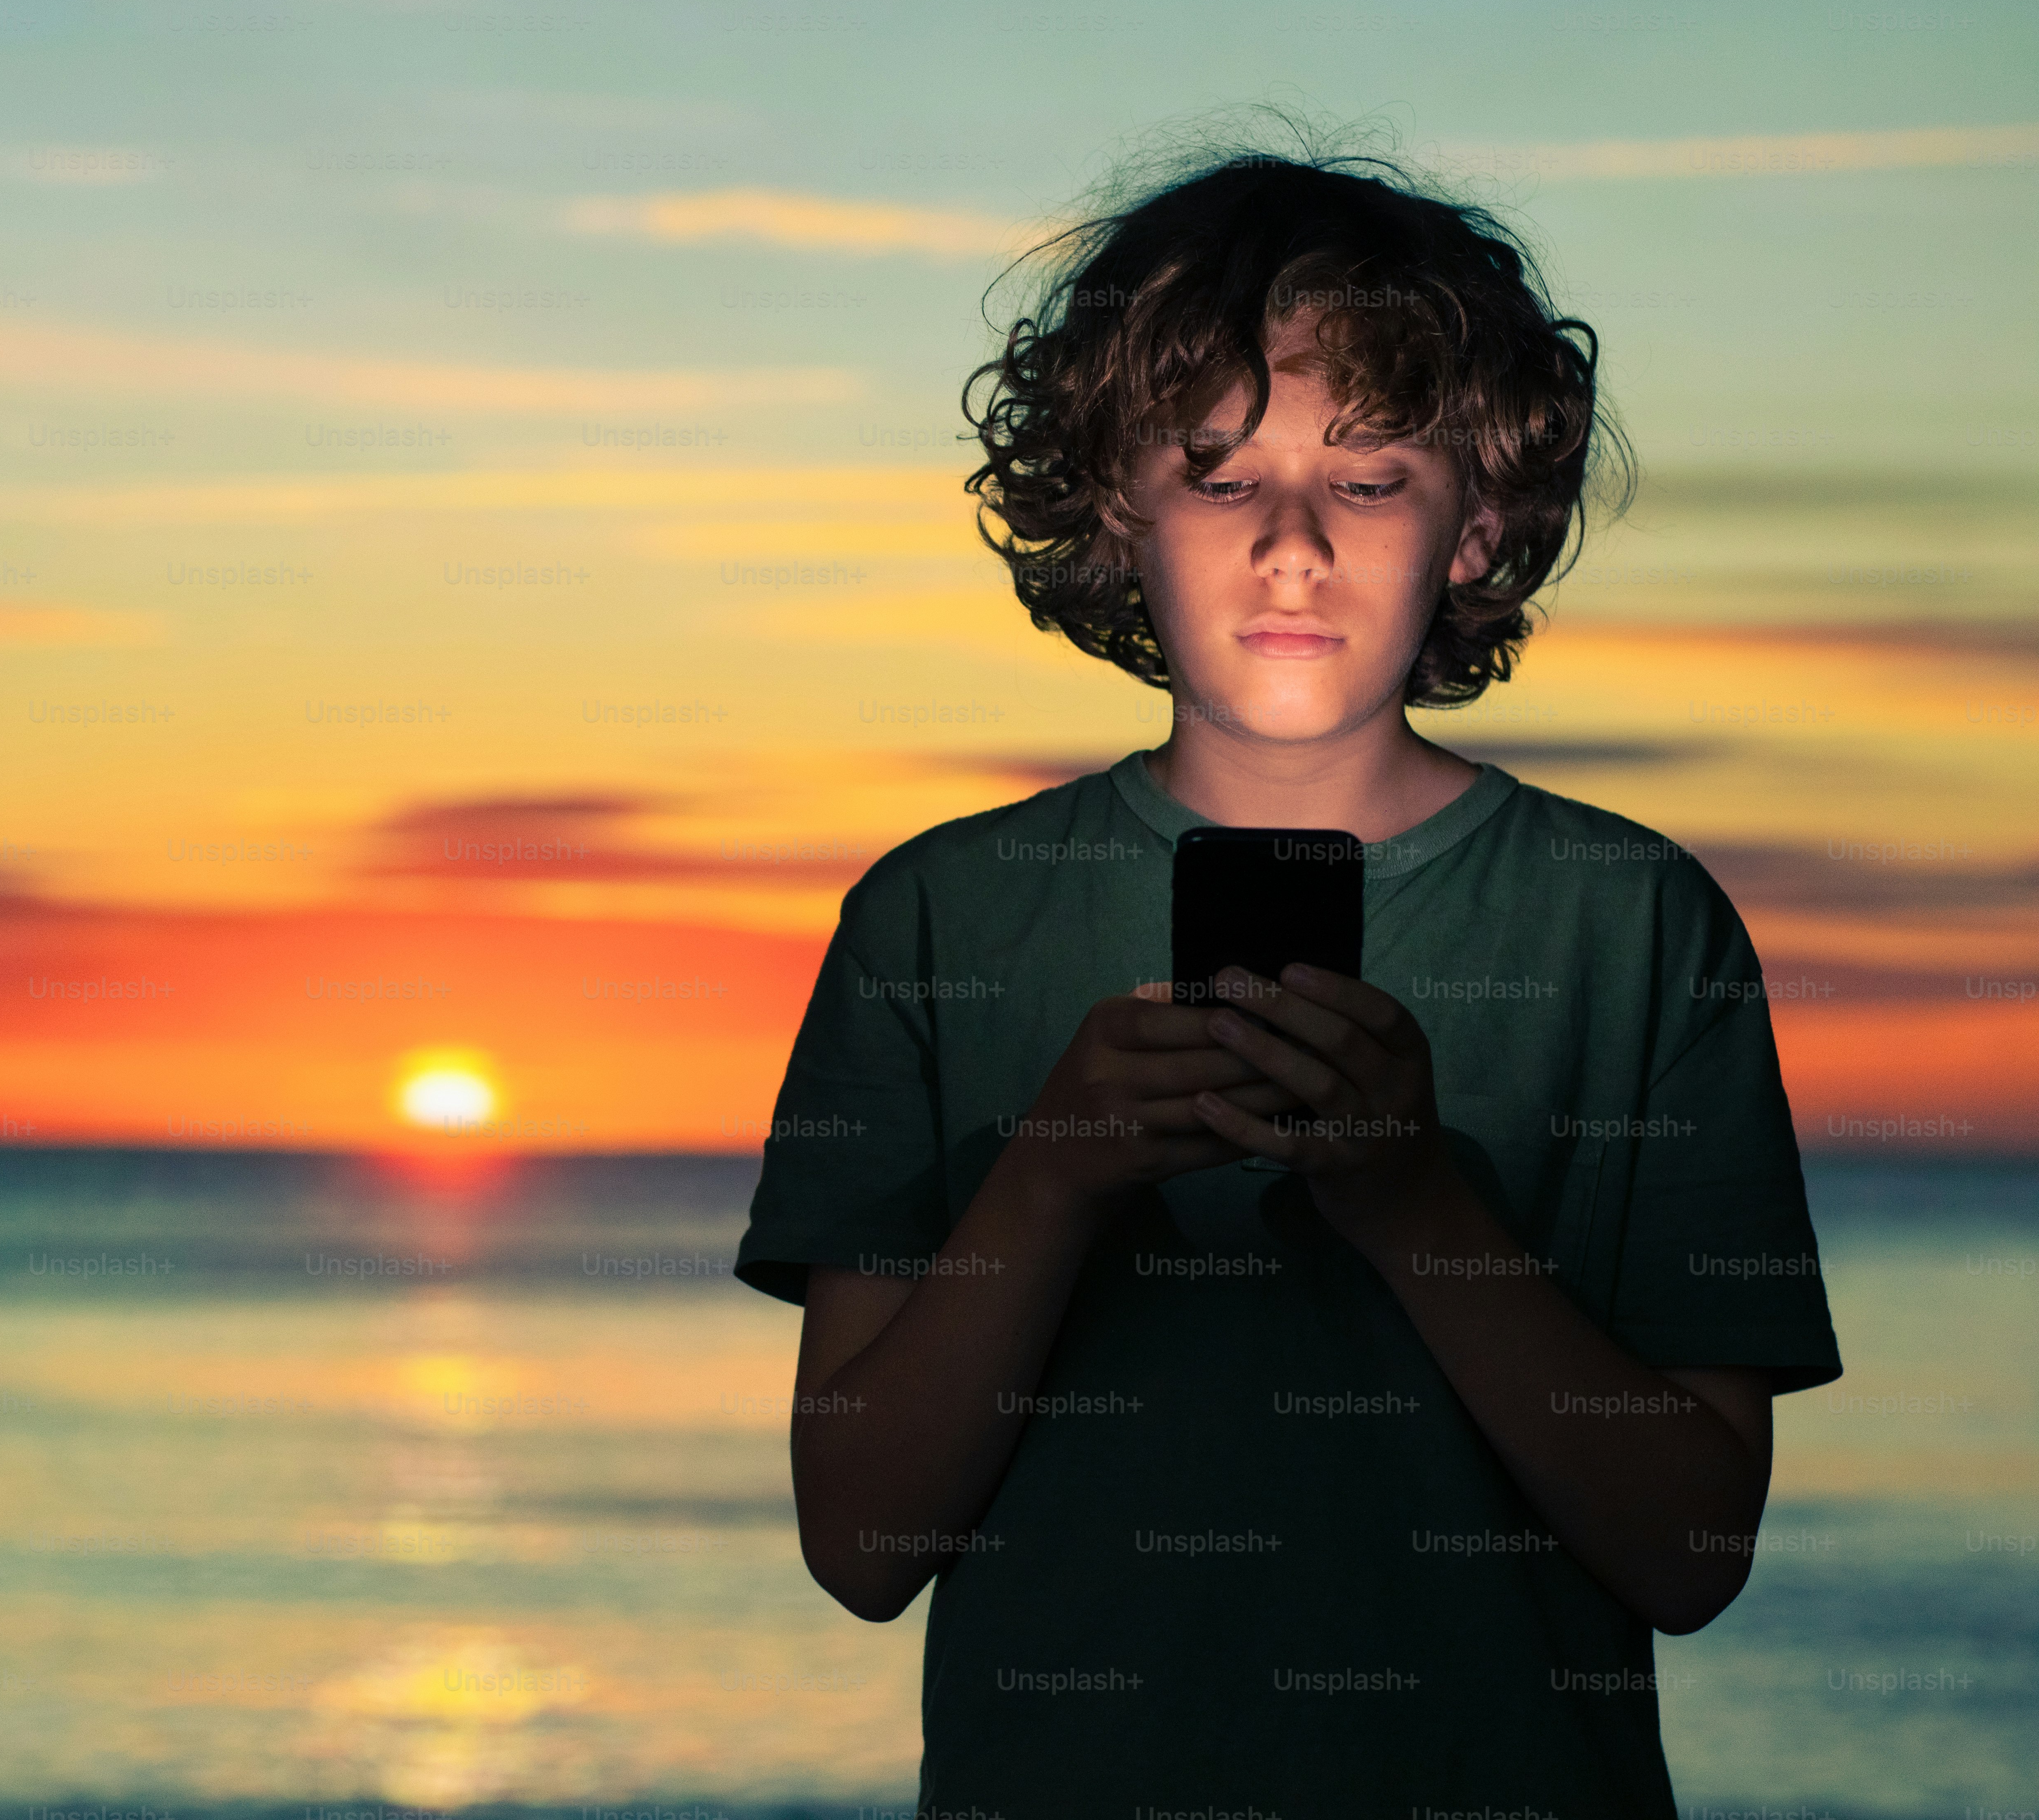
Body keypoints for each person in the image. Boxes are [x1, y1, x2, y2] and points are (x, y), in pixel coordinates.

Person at [733, 139, 1843, 1817]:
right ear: (1119, 508)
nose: (1295, 546)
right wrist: (1048, 1182)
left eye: (1373, 480)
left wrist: (1415, 1202)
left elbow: (1691, 1551)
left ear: (1479, 524)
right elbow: (864, 1542)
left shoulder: (1636, 923)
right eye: (1220, 473)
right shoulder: (938, 920)